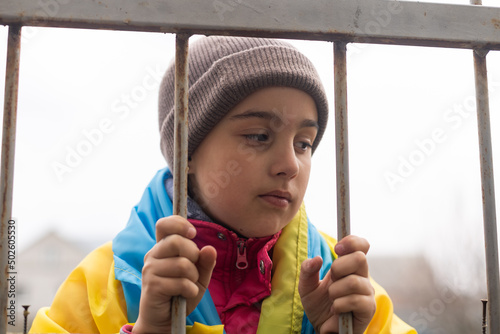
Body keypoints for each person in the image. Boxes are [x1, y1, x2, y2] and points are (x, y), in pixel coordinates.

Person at [30, 36, 416, 334]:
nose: (289, 166)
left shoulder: (346, 283)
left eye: (304, 143)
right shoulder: (106, 281)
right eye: (258, 136)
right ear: (187, 154)